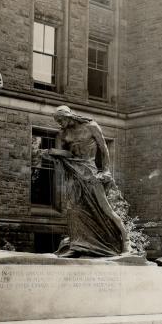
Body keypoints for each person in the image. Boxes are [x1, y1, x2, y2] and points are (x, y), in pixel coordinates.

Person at [49, 106, 131, 258]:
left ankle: (126, 240)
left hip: (90, 171)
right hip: (74, 173)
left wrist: (106, 170)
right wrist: (54, 153)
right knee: (73, 209)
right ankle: (77, 245)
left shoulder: (91, 126)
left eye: (60, 120)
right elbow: (68, 153)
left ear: (68, 116)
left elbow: (104, 148)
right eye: (57, 121)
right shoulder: (63, 134)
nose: (59, 123)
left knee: (105, 208)